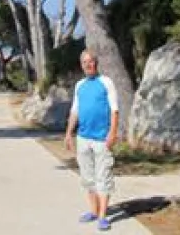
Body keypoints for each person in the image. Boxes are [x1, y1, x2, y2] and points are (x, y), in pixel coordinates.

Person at [65, 50, 120, 231]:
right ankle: (94, 211)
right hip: (83, 138)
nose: (88, 65)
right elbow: (75, 111)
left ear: (96, 63)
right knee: (88, 178)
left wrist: (112, 133)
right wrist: (68, 133)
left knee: (103, 177)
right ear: (81, 65)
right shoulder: (79, 85)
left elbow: (114, 110)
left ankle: (103, 217)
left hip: (102, 139)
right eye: (84, 62)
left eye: (91, 61)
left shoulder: (106, 82)